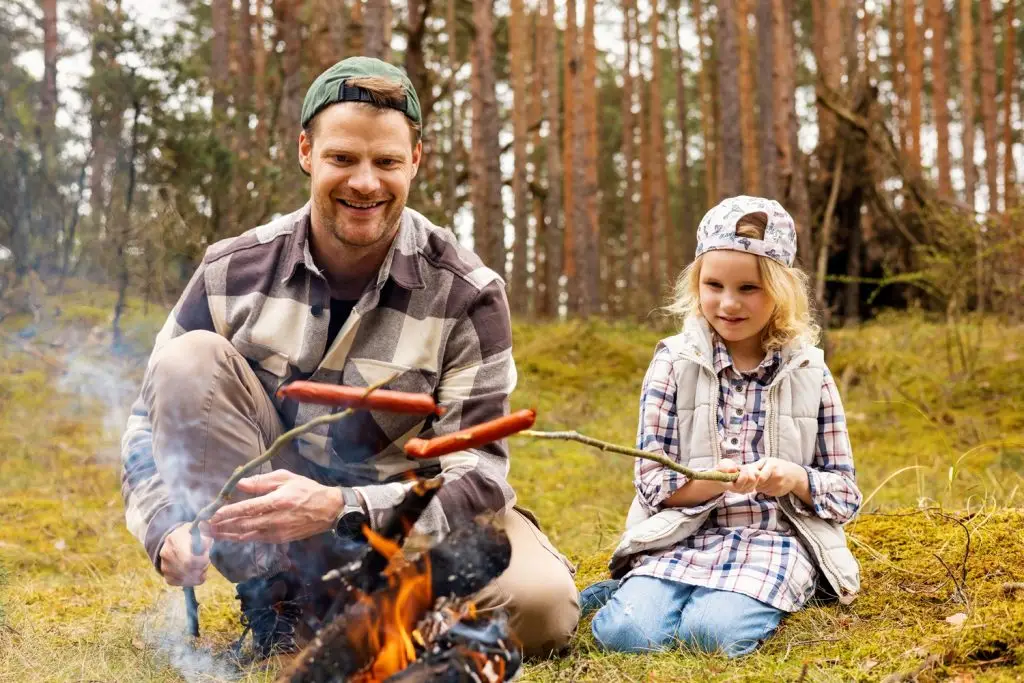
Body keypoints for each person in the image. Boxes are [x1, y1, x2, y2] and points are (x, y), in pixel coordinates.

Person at [120, 56, 579, 658]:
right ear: (306, 151)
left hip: (404, 528)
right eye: (343, 158)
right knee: (187, 361)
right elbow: (143, 428)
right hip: (273, 540)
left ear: (415, 161)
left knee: (539, 609)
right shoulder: (228, 270)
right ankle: (277, 600)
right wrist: (164, 532)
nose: (365, 182)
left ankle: (364, 612)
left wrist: (341, 507)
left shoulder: (469, 293)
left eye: (386, 162)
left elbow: (478, 475)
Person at [581, 196, 862, 657]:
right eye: (714, 285)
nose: (728, 303)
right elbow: (652, 483)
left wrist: (792, 478)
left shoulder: (810, 371)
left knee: (711, 636)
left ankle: (744, 600)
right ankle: (630, 597)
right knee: (627, 635)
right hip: (683, 535)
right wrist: (714, 480)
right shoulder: (673, 364)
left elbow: (845, 495)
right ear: (697, 284)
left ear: (780, 291)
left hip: (774, 541)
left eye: (748, 288)